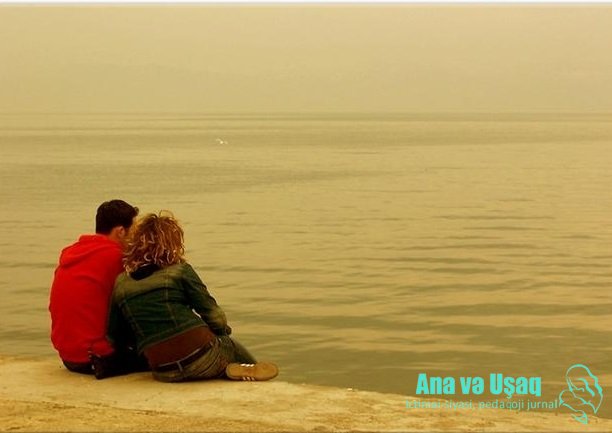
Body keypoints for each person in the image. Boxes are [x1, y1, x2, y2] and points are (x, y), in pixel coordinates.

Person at [107, 211, 278, 382]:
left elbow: (115, 336)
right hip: (202, 359)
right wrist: (220, 335)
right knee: (230, 345)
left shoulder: (122, 283)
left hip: (163, 371)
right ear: (172, 244)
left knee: (208, 353)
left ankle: (221, 368)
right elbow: (216, 317)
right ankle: (244, 371)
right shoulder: (180, 271)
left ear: (135, 244)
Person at [49, 199, 143, 377]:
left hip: (68, 356)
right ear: (121, 231)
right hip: (98, 358)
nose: (137, 237)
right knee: (165, 357)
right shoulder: (116, 257)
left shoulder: (73, 253)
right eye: (134, 230)